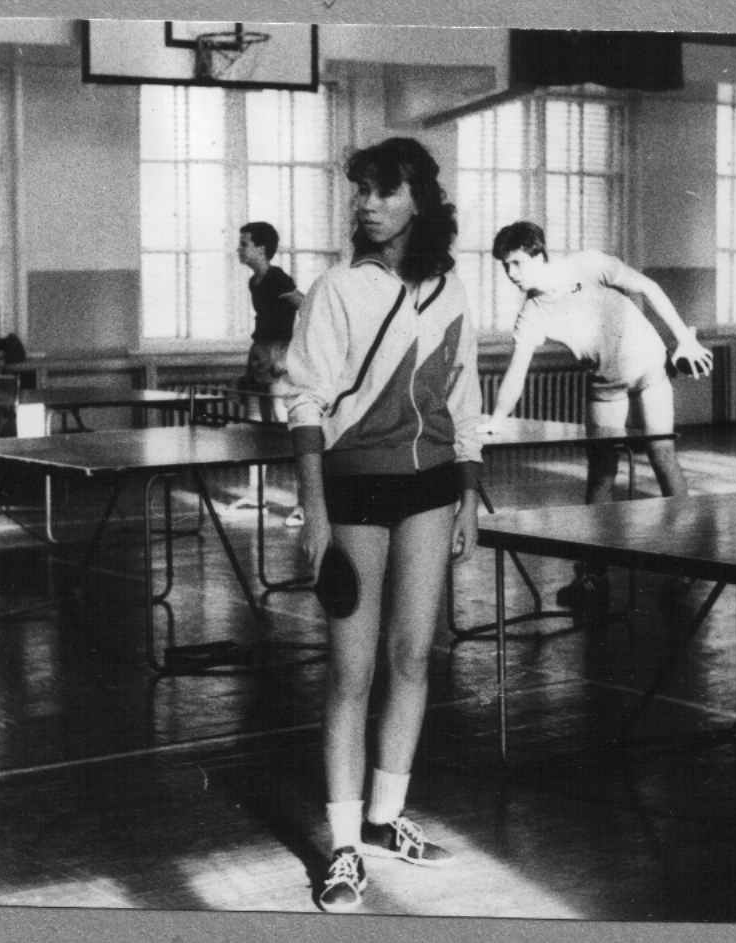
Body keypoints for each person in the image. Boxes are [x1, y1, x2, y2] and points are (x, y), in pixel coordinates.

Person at [284, 137, 483, 913]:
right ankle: (343, 848)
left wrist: (469, 496)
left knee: (411, 657)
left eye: (383, 190)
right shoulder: (336, 288)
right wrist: (315, 509)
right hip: (355, 490)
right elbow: (306, 400)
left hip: (431, 488)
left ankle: (386, 815)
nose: (366, 204)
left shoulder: (450, 290)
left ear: (418, 200)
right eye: (360, 190)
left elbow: (462, 399)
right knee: (351, 671)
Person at [478, 220, 713, 606]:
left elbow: (648, 287)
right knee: (601, 471)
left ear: (539, 255)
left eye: (517, 263)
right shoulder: (532, 313)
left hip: (650, 368)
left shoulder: (587, 264)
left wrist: (684, 339)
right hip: (605, 384)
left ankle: (687, 560)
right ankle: (591, 574)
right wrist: (497, 420)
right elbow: (516, 371)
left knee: (662, 454)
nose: (511, 274)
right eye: (505, 266)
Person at [234, 221, 307, 525]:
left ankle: (304, 504)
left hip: (279, 355)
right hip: (259, 354)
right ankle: (256, 495)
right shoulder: (254, 282)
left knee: (287, 430)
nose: (239, 249)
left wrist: (288, 357)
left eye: (244, 244)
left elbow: (308, 308)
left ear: (261, 249)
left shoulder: (278, 278)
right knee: (256, 428)